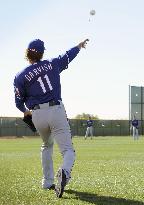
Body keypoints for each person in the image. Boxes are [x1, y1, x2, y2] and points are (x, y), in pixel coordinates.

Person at [13, 38, 89, 198]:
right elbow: (68, 55)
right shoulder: (52, 63)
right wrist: (79, 46)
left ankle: (47, 181)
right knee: (68, 150)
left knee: (46, 145)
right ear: (41, 53)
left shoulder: (20, 76)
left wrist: (25, 111)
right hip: (55, 109)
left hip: (37, 114)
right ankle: (65, 172)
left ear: (27, 53)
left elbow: (18, 102)